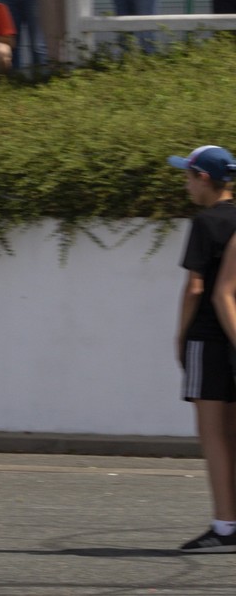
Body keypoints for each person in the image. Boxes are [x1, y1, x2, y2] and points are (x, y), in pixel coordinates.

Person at [168, 145, 236, 552]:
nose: (186, 185)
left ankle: (225, 526)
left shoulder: (205, 222)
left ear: (204, 179)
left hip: (208, 338)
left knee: (212, 435)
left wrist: (180, 336)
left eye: (188, 177)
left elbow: (195, 288)